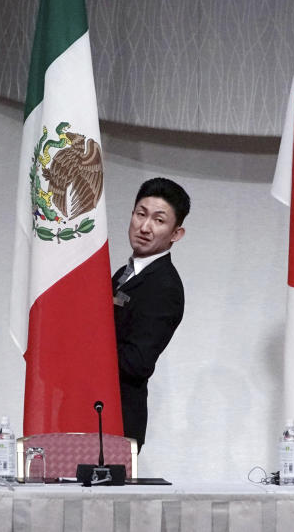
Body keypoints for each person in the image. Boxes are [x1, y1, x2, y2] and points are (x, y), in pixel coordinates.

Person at [111, 177, 188, 449]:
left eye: (158, 220)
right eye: (140, 214)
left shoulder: (164, 285)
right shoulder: (124, 273)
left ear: (176, 233)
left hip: (116, 423)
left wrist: (84, 346)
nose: (144, 227)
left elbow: (138, 362)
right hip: (90, 411)